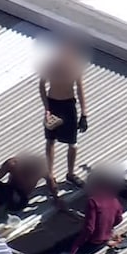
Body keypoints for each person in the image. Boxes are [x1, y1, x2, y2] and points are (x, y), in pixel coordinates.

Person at [0, 154, 60, 232]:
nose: (29, 173)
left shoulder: (41, 171)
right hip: (7, 191)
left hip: (19, 200)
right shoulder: (12, 164)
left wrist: (56, 198)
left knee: (8, 193)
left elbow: (50, 181)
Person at [39, 39, 89, 189]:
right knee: (50, 140)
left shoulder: (75, 67)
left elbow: (80, 89)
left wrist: (84, 114)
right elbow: (42, 86)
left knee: (72, 143)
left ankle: (71, 174)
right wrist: (47, 108)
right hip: (53, 104)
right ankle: (50, 174)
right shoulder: (51, 66)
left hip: (68, 106)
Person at [70, 170, 124, 254]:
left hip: (92, 243)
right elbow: (119, 219)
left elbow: (89, 228)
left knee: (60, 245)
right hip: (105, 239)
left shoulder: (93, 201)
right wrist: (107, 226)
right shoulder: (114, 200)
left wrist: (76, 246)